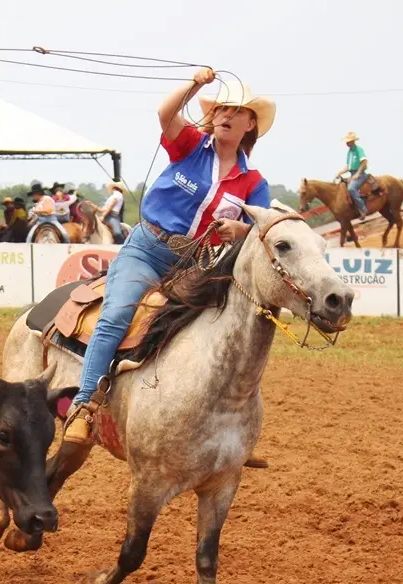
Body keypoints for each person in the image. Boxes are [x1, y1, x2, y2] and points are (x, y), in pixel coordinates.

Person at [61, 67, 275, 447]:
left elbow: (262, 230)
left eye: (236, 110)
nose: (225, 115)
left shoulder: (253, 183)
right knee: (116, 315)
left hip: (195, 265)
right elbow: (165, 114)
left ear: (250, 123)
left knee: (216, 333)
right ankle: (82, 406)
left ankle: (216, 429)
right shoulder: (191, 145)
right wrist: (196, 84)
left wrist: (241, 230)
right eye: (221, 108)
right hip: (147, 250)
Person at [336, 132, 370, 219]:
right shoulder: (349, 152)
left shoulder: (359, 150)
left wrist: (358, 173)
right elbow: (348, 166)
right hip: (352, 174)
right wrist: (340, 172)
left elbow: (364, 162)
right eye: (346, 142)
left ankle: (363, 209)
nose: (347, 143)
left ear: (353, 141)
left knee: (351, 188)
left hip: (360, 174)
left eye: (348, 141)